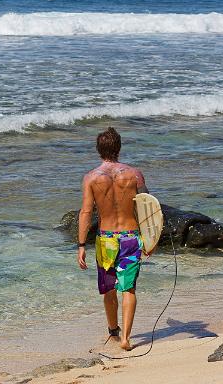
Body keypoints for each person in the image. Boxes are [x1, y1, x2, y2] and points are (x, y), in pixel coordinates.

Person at [77, 127, 148, 351]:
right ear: (119, 148)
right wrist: (150, 238)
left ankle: (113, 332)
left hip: (106, 240)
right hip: (130, 237)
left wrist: (81, 245)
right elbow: (147, 207)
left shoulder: (91, 178)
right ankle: (126, 338)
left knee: (109, 289)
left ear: (99, 150)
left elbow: (86, 213)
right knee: (129, 289)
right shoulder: (134, 174)